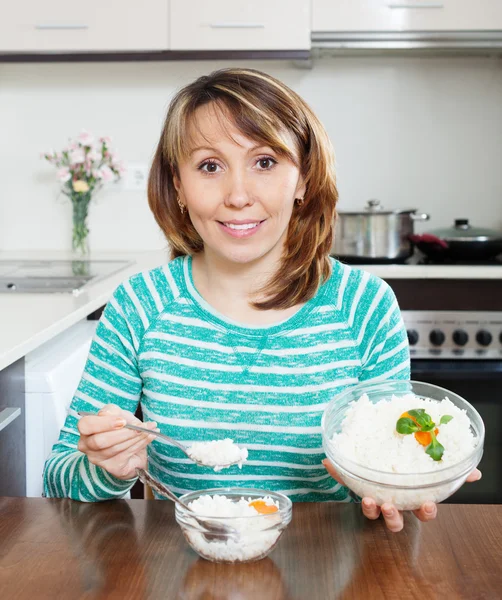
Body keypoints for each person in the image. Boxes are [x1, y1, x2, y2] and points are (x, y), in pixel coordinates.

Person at [43, 67, 481, 532]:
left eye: (265, 163)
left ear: (304, 180)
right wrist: (104, 468)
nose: (237, 195)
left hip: (327, 566)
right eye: (210, 166)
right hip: (185, 568)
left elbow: (396, 453)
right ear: (179, 186)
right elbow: (59, 477)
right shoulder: (142, 304)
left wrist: (402, 487)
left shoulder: (364, 306)